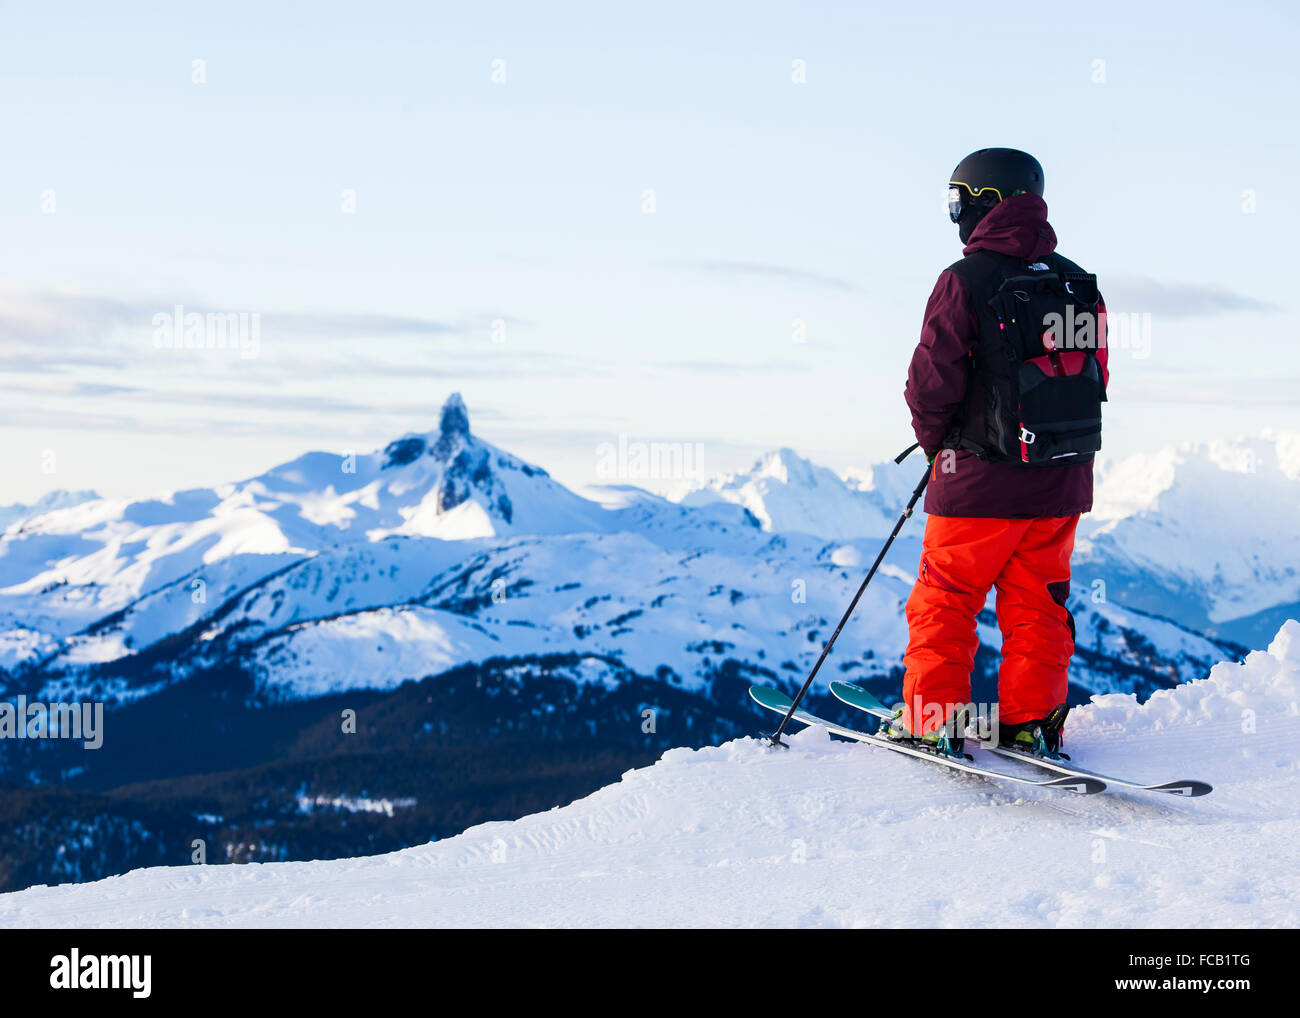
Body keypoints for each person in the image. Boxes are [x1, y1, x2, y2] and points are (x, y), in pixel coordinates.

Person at [889, 147, 1109, 758]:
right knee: (1039, 604)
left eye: (957, 200)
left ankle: (933, 718)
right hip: (1061, 478)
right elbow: (1097, 376)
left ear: (986, 201)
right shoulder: (1077, 282)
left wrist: (941, 449)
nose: (954, 214)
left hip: (980, 480)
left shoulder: (964, 280)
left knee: (947, 600)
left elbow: (930, 385)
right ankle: (1031, 723)